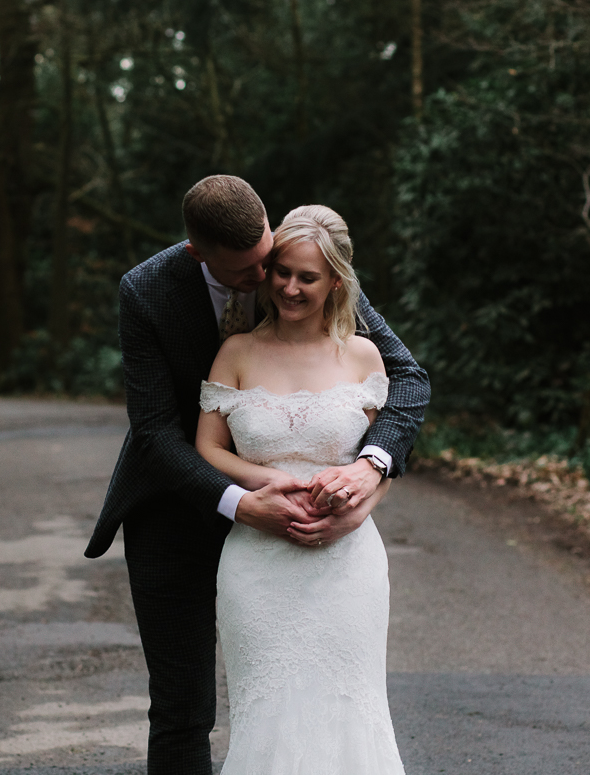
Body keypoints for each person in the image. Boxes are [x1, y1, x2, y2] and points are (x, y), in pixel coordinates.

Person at [85, 176, 429, 775]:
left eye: (272, 259)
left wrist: (370, 473)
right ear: (200, 255)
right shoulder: (147, 291)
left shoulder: (296, 254)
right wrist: (242, 504)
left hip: (315, 524)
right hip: (176, 504)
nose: (274, 281)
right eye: (252, 272)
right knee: (182, 708)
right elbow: (157, 434)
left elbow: (407, 381)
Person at [196, 203, 407, 774]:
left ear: (335, 281)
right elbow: (208, 449)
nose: (289, 287)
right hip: (256, 565)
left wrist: (359, 507)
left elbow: (383, 461)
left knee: (349, 710)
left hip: (346, 565)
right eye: (281, 272)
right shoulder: (236, 350)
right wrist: (265, 479)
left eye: (307, 277)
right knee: (267, 712)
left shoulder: (364, 356)